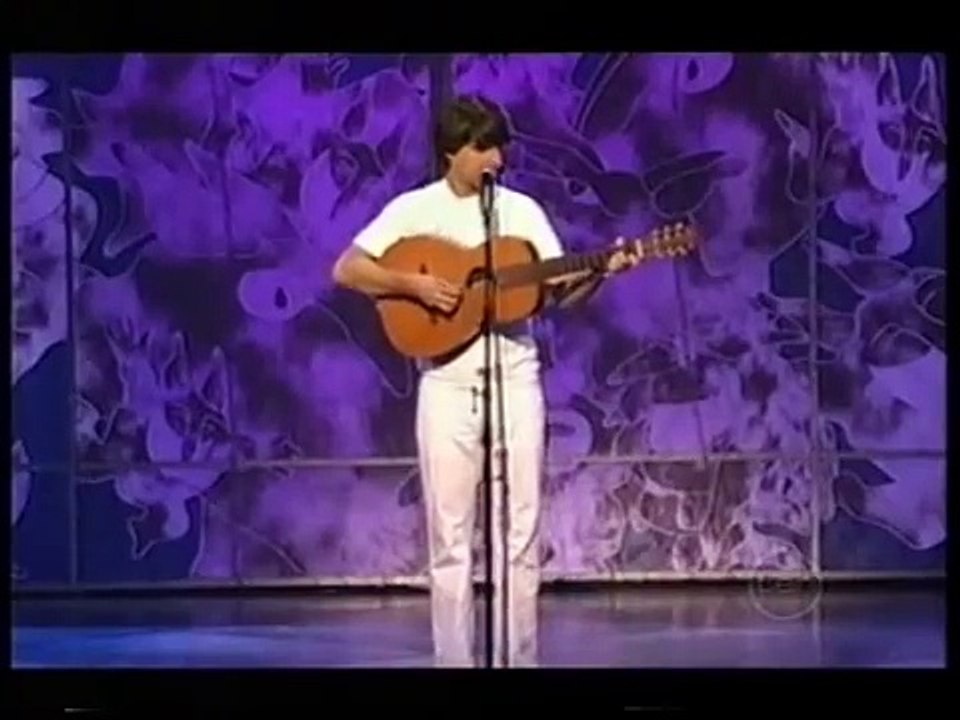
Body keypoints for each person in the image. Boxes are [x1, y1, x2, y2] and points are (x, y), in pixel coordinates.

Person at [331, 95, 639, 667]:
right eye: (484, 147)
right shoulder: (414, 210)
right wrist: (414, 286)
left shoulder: (521, 212)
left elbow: (557, 294)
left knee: (520, 536)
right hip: (446, 386)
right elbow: (348, 267)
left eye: (501, 145)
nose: (497, 157)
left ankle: (518, 662)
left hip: (516, 381)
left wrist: (598, 271)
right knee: (450, 539)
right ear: (453, 152)